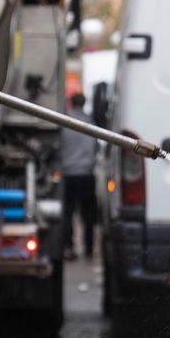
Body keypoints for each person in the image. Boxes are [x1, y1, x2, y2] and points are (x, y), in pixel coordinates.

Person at [58, 92, 99, 261]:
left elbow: (59, 146)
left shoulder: (64, 122)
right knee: (88, 214)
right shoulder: (91, 123)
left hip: (68, 175)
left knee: (68, 213)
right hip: (86, 175)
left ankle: (68, 247)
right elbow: (96, 147)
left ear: (71, 103)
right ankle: (89, 248)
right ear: (84, 103)